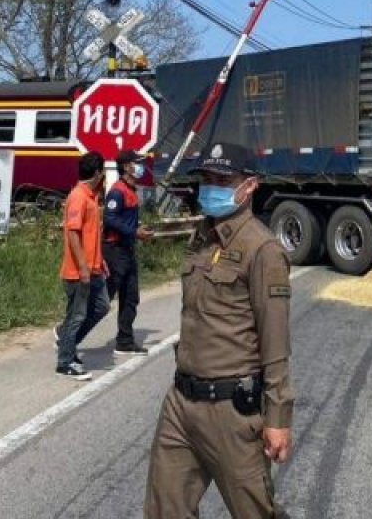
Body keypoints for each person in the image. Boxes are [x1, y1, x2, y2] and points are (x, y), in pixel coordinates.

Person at [145, 142, 293, 519]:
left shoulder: (263, 250)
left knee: (254, 512)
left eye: (223, 179)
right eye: (207, 178)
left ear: (250, 185)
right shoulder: (202, 236)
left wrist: (277, 418)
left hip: (230, 410)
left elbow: (275, 342)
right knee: (164, 510)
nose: (212, 187)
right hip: (181, 403)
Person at [55, 151, 110, 381]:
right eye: (103, 172)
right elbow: (74, 235)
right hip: (79, 271)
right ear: (97, 173)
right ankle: (65, 361)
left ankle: (66, 340)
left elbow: (90, 236)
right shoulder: (78, 197)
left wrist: (100, 260)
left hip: (94, 267)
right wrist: (83, 267)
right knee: (77, 315)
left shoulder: (91, 197)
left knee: (101, 306)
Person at [103, 149, 154, 356]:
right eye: (136, 163)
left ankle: (124, 341)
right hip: (115, 251)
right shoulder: (117, 191)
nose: (140, 166)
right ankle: (68, 334)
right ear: (126, 167)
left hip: (127, 249)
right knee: (103, 300)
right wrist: (134, 231)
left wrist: (139, 230)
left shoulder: (131, 190)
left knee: (131, 296)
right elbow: (110, 219)